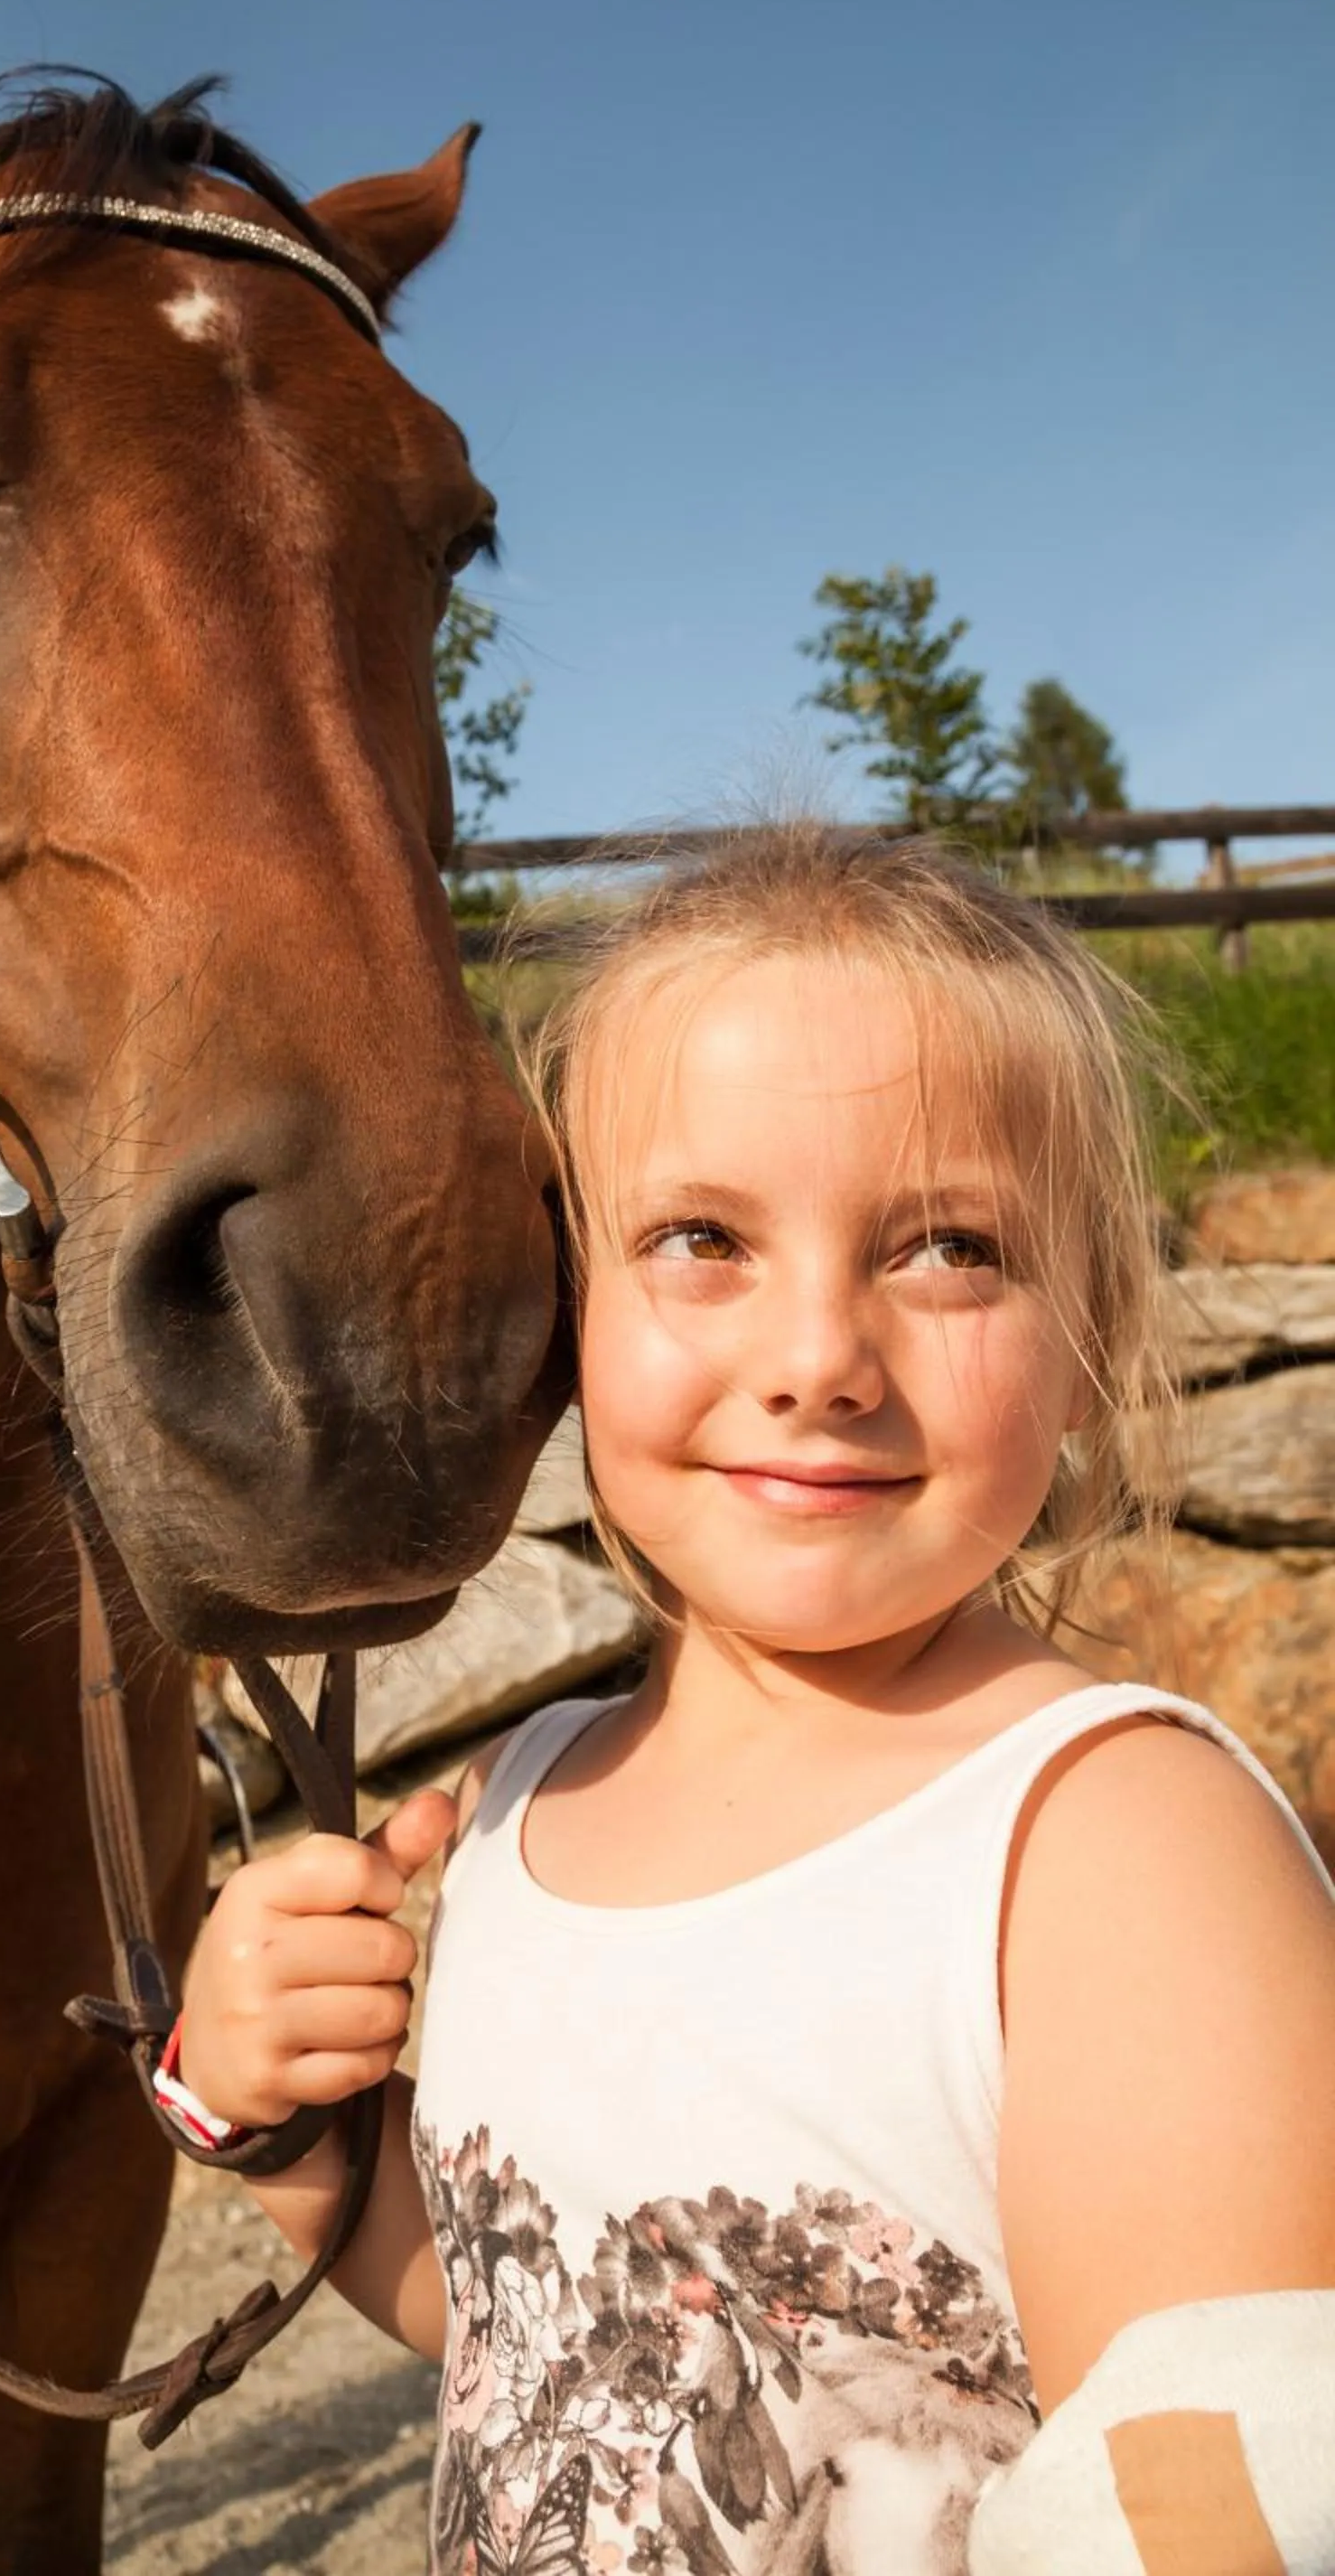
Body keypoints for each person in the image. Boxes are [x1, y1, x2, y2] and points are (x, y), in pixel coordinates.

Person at [171, 826, 1335, 2573]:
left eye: (949, 1246)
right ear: (570, 1304)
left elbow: (1211, 2517)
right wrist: (287, 2131)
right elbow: (538, 2343)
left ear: (1090, 1312)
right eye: (702, 1237)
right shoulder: (522, 1797)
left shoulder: (1116, 1859)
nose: (816, 1359)